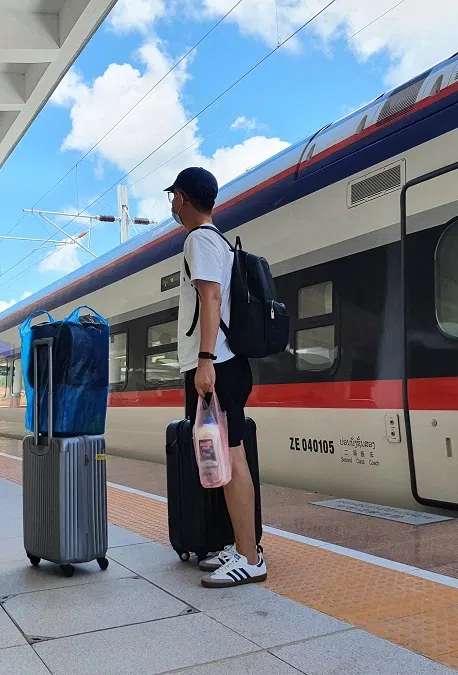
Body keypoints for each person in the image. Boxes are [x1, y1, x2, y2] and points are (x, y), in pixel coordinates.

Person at [166, 167, 267, 588]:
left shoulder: (200, 239)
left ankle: (250, 557)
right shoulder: (216, 241)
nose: (172, 204)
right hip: (222, 363)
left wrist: (205, 360)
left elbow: (210, 297)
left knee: (231, 457)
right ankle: (241, 546)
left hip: (218, 364)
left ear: (183, 198)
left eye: (173, 196)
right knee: (224, 457)